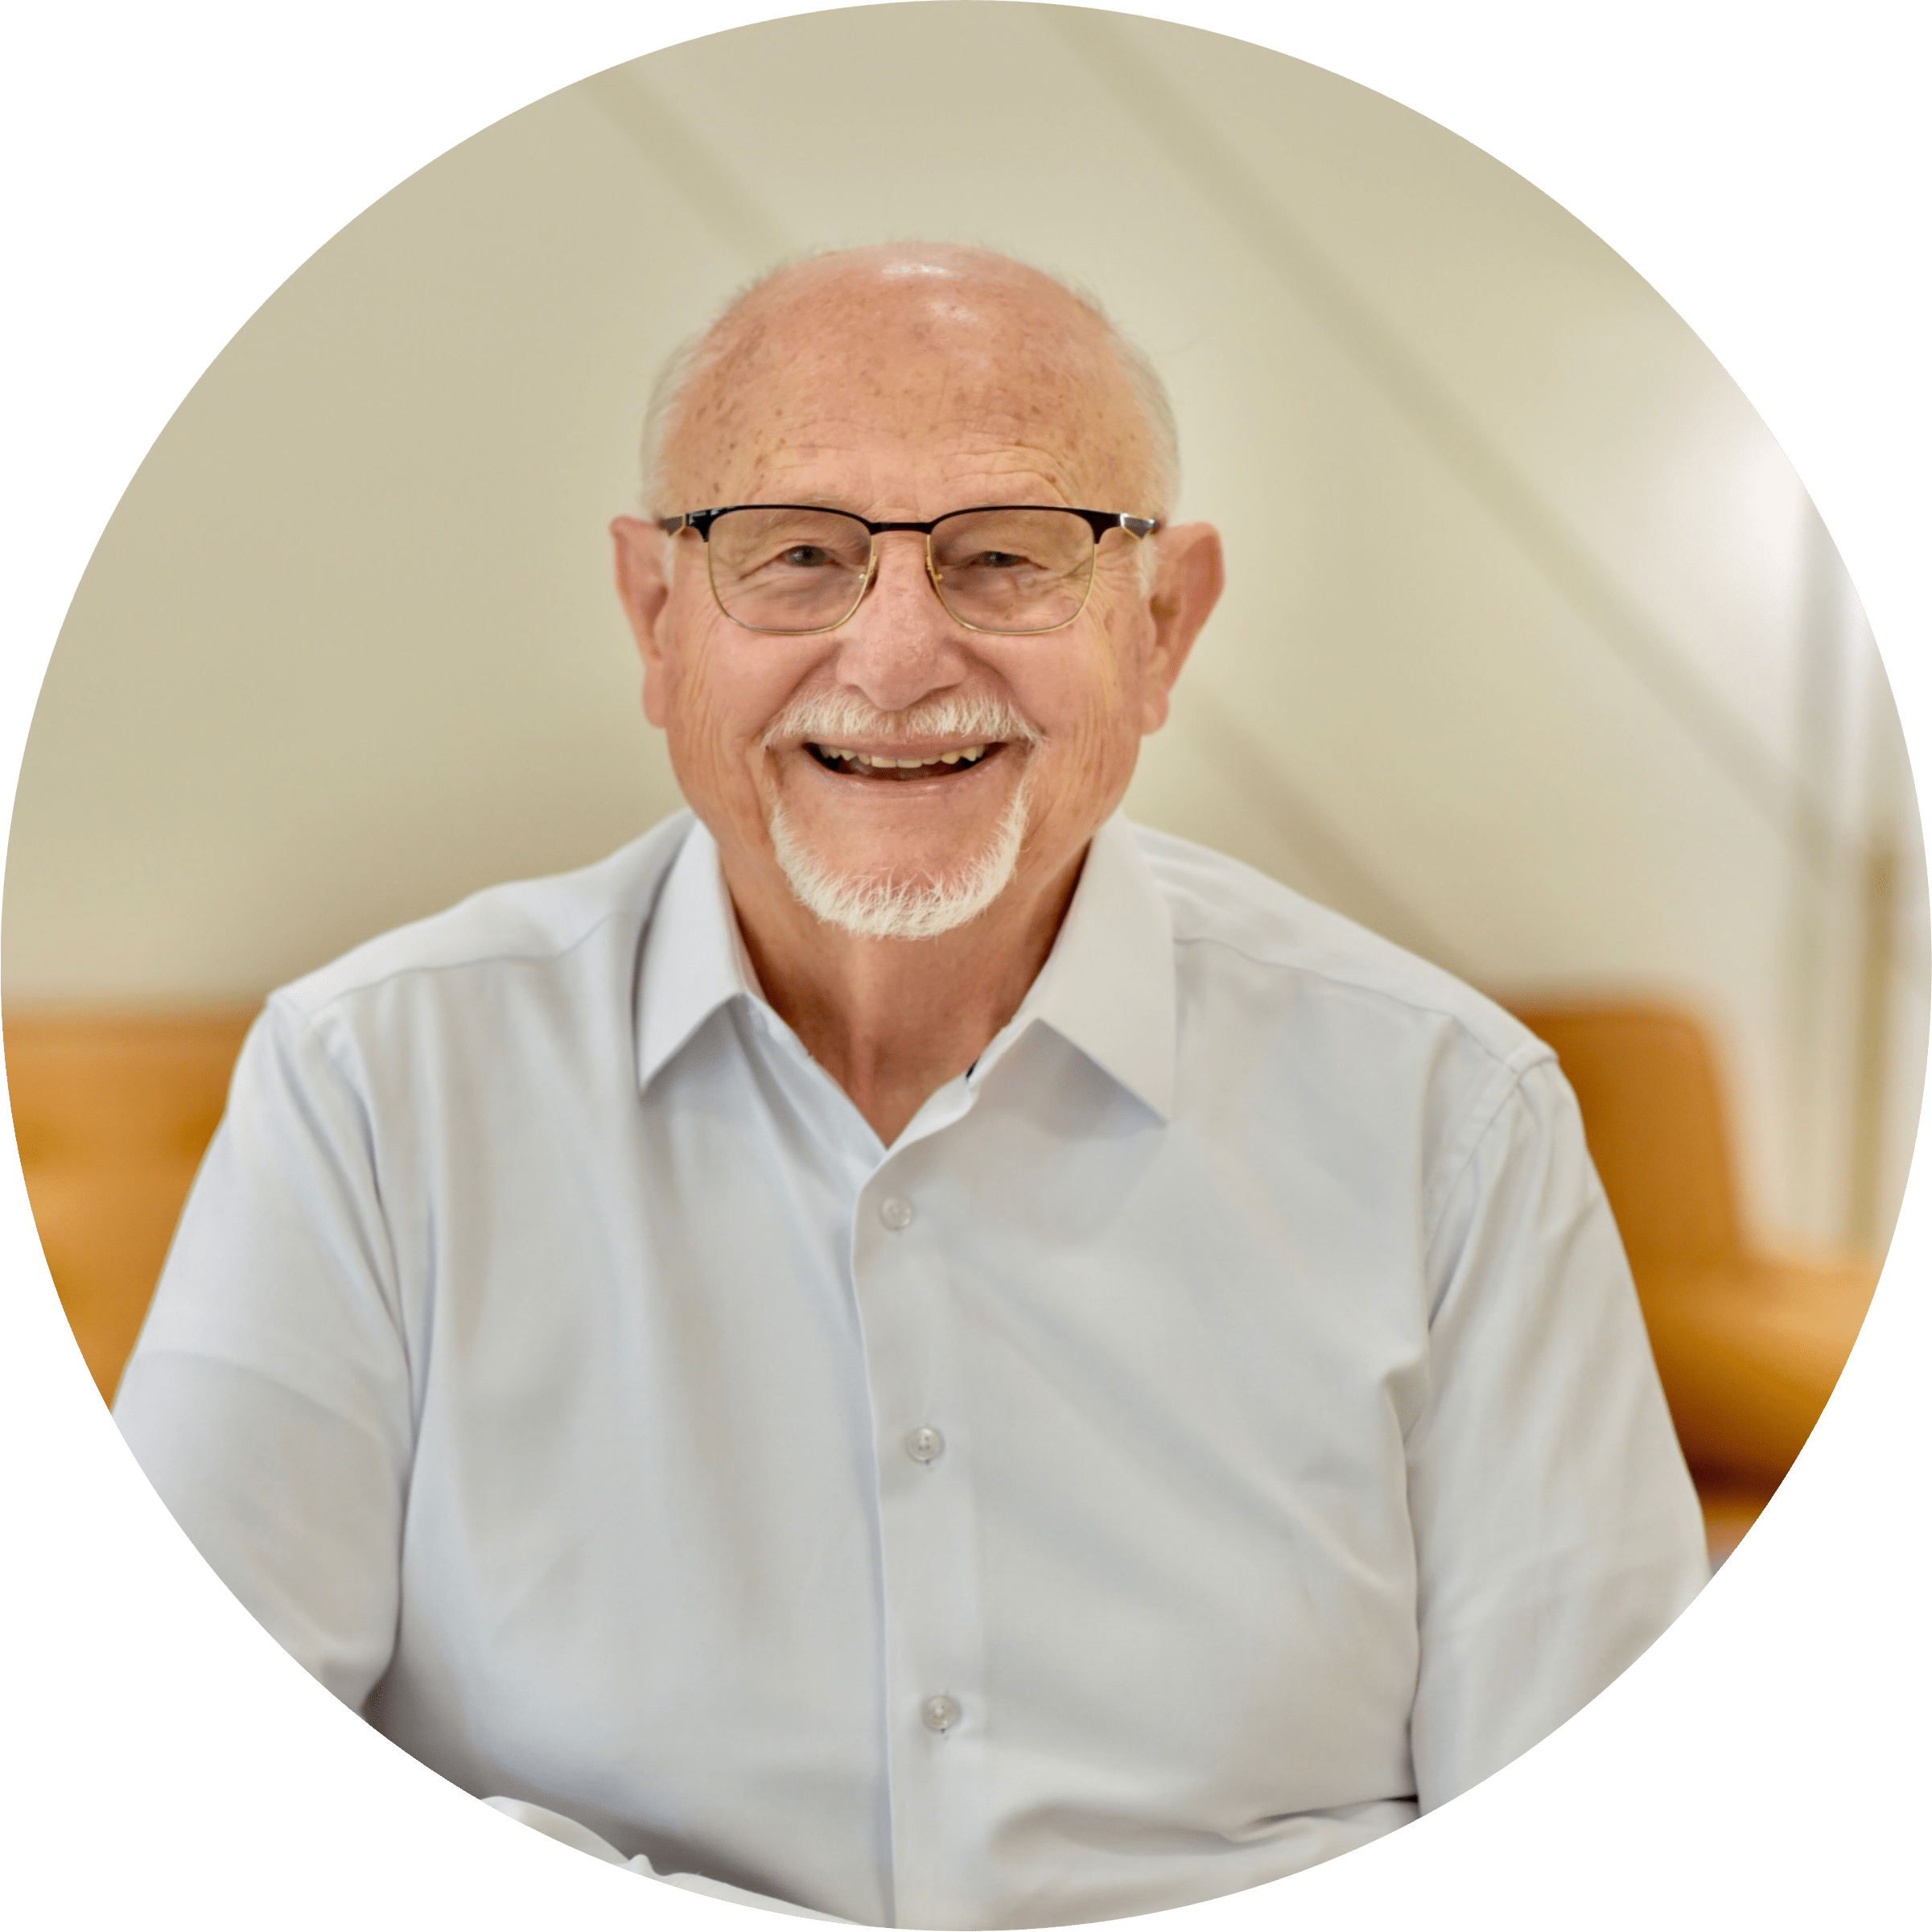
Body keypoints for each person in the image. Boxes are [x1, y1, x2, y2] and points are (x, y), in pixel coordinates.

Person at [115, 244, 1707, 1930]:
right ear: (657, 622)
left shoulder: (1454, 1120)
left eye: (1009, 558)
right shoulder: (371, 1086)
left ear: (1162, 626)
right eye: (794, 555)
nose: (893, 660)